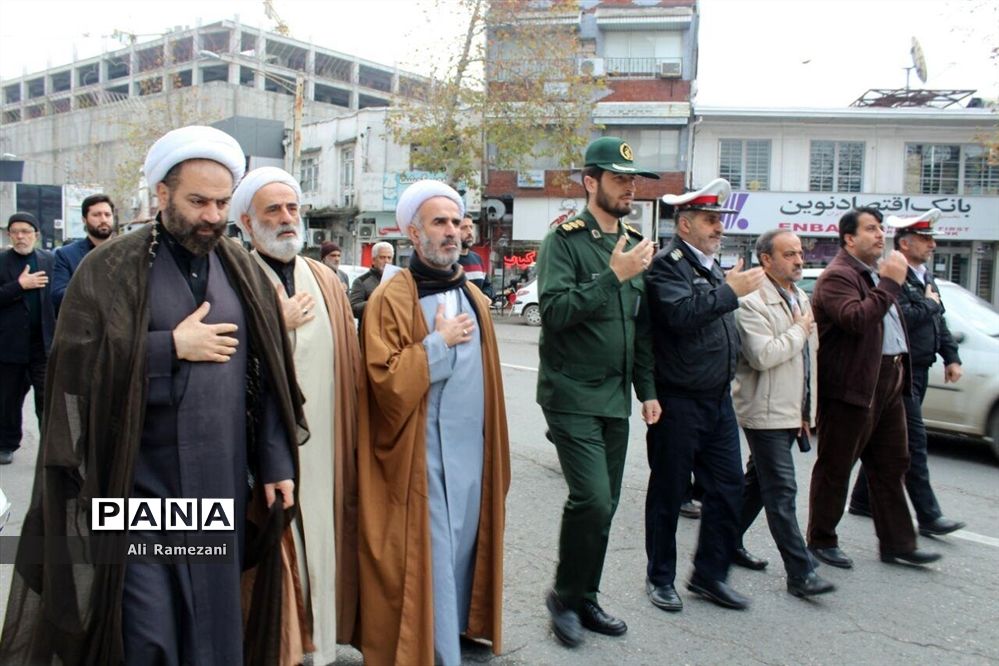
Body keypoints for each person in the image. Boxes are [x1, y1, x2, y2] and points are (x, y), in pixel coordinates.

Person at [0, 126, 309, 665]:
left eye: (220, 202)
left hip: (218, 489)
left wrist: (277, 461)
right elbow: (73, 371)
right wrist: (168, 347)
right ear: (161, 195)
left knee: (213, 634)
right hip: (136, 489)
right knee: (147, 635)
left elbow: (271, 375)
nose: (211, 215)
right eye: (197, 201)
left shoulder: (240, 269)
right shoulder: (110, 269)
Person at [357, 179, 509, 666]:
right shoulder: (390, 298)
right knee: (434, 559)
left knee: (462, 553)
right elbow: (385, 382)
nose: (451, 233)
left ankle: (455, 635)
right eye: (438, 223)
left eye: (455, 223)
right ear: (413, 234)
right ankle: (438, 653)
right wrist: (438, 343)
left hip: (470, 459)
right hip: (422, 460)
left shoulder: (474, 297)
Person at [232, 166, 364, 664]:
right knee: (274, 553)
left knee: (325, 544)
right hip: (260, 452)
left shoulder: (326, 279)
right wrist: (271, 323)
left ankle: (319, 642)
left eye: (293, 209)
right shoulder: (233, 278)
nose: (288, 219)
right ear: (247, 221)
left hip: (325, 445)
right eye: (274, 210)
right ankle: (279, 645)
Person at [537, 136, 660, 647]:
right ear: (591, 183)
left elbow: (642, 327)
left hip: (614, 397)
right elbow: (556, 312)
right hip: (570, 392)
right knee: (591, 498)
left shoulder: (633, 238)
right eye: (618, 179)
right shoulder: (564, 240)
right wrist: (612, 276)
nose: (629, 187)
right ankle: (564, 597)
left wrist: (647, 389)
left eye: (633, 179)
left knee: (604, 507)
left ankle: (585, 595)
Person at [645, 178, 764, 612]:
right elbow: (681, 315)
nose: (718, 228)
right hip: (678, 401)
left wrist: (726, 288)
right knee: (669, 492)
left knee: (729, 488)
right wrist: (730, 291)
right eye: (710, 220)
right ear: (685, 224)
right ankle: (660, 578)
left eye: (720, 220)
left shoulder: (712, 267)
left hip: (717, 400)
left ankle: (710, 576)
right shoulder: (667, 265)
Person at [807, 207, 941, 569]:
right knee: (837, 464)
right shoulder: (839, 276)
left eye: (881, 228)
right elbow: (856, 319)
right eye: (871, 229)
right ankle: (821, 539)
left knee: (891, 463)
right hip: (852, 386)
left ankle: (898, 543)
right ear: (849, 238)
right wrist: (890, 285)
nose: (881, 235)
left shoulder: (871, 275)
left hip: (889, 382)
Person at [848, 209, 965, 537]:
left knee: (881, 439)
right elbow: (904, 316)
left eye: (931, 238)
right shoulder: (892, 275)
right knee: (912, 442)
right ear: (905, 242)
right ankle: (928, 515)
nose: (932, 244)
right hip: (898, 370)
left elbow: (937, 322)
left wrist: (951, 357)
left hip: (921, 367)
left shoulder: (925, 276)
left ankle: (862, 499)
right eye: (925, 238)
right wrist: (929, 305)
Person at [731, 230, 835, 598]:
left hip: (789, 411)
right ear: (766, 260)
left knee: (758, 485)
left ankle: (726, 542)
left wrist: (806, 411)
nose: (798, 259)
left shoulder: (799, 297)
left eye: (799, 253)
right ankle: (800, 571)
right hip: (764, 409)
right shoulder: (751, 302)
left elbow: (807, 361)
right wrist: (798, 330)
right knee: (781, 490)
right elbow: (762, 356)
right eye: (788, 254)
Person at [0, 212, 55, 465]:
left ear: (36, 234)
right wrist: (19, 285)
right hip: (9, 346)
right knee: (8, 399)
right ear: (9, 235)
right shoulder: (2, 261)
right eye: (15, 232)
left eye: (26, 231)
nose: (21, 236)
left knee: (46, 397)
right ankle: (7, 444)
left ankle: (49, 447)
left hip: (42, 345)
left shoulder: (49, 260)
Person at [51, 193, 115, 314]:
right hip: (83, 326)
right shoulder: (66, 255)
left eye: (107, 214)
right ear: (84, 219)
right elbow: (58, 295)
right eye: (96, 215)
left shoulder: (128, 252)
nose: (103, 219)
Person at [349, 240, 394, 323]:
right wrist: (377, 301)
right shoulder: (361, 281)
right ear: (373, 260)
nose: (386, 261)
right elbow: (353, 309)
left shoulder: (396, 280)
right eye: (382, 257)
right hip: (370, 332)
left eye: (389, 258)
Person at [458, 214, 493, 297]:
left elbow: (488, 286)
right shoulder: (448, 261)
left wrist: (486, 296)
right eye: (464, 228)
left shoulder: (477, 259)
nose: (469, 232)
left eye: (471, 227)